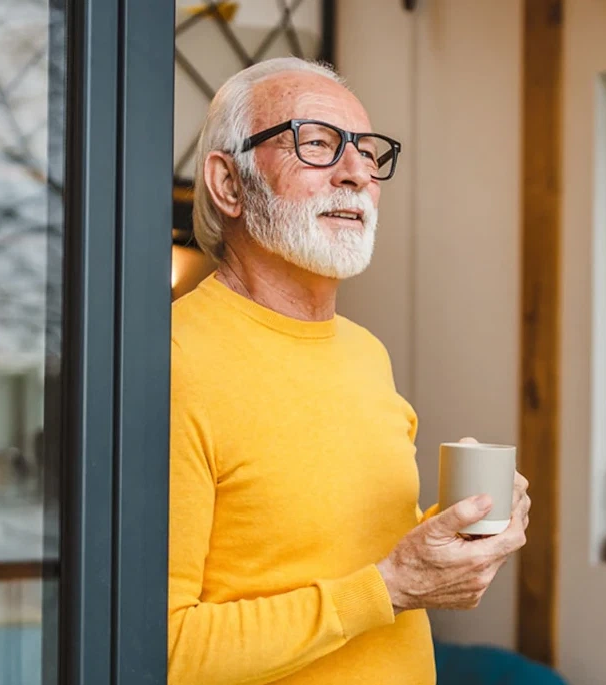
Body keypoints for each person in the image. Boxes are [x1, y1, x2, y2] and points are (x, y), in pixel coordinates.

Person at [168, 56, 531, 685]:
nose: (357, 173)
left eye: (367, 152)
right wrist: (390, 588)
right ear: (228, 184)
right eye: (317, 144)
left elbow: (354, 558)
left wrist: (452, 546)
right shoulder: (172, 361)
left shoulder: (367, 355)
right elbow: (160, 649)